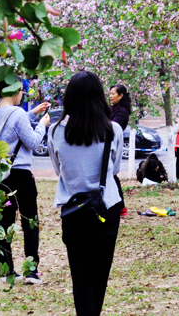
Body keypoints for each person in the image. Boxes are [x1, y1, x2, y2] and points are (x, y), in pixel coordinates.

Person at [49, 71, 123, 316]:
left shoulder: (56, 132)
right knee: (100, 275)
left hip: (73, 210)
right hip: (106, 210)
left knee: (80, 275)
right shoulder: (112, 130)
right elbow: (114, 169)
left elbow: (58, 169)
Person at [0, 80, 51, 284]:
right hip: (21, 175)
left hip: (1, 176)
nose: (23, 95)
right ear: (15, 92)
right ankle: (31, 271)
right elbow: (32, 142)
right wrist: (42, 125)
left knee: (4, 223)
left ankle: (7, 270)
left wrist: (31, 113)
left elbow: (10, 130)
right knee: (29, 222)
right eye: (23, 91)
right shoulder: (17, 114)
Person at [108, 84, 131, 215]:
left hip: (113, 144)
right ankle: (119, 206)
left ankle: (121, 206)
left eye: (113, 93)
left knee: (112, 174)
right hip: (107, 142)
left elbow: (114, 128)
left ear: (121, 95)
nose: (110, 96)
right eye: (110, 93)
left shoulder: (122, 112)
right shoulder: (111, 109)